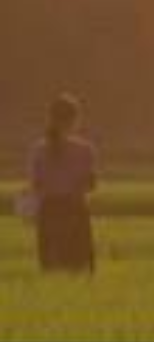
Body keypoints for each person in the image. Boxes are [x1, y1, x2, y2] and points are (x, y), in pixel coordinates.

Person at [29, 94, 98, 273]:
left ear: (50, 118)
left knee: (51, 268)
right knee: (77, 268)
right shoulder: (86, 150)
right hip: (75, 210)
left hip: (49, 211)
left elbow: (36, 185)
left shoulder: (38, 150)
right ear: (75, 120)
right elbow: (91, 185)